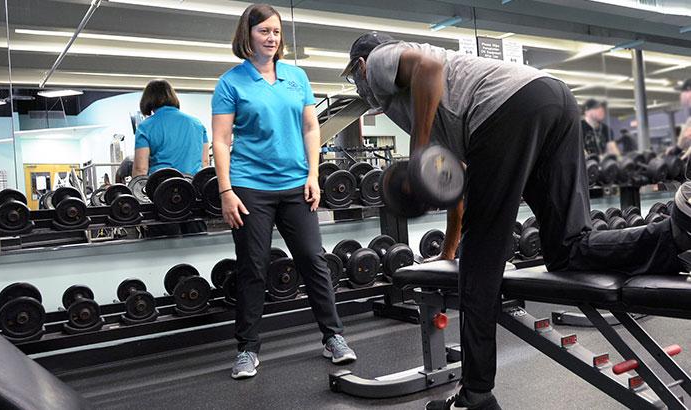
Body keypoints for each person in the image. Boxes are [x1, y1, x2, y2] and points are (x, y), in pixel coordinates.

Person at [342, 32, 691, 410]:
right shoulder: (438, 104)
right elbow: (458, 183)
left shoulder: (378, 61)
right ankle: (678, 233)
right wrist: (448, 251)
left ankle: (475, 396)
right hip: (553, 97)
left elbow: (425, 68)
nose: (359, 86)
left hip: (508, 109)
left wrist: (418, 154)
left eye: (353, 76)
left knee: (479, 267)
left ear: (361, 66)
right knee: (569, 249)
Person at [211, 3, 356, 380]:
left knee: (313, 260)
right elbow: (222, 140)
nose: (272, 38)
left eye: (276, 32)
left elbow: (311, 128)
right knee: (253, 268)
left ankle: (333, 337)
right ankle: (247, 349)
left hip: (296, 185)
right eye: (264, 31)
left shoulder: (297, 77)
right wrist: (226, 189)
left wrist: (313, 175)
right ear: (248, 35)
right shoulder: (231, 83)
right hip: (249, 188)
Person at [133, 79, 210, 236]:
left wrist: (141, 206)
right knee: (198, 247)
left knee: (163, 253)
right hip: (192, 195)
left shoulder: (146, 126)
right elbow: (205, 163)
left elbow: (141, 169)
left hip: (162, 197)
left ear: (148, 99)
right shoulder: (197, 123)